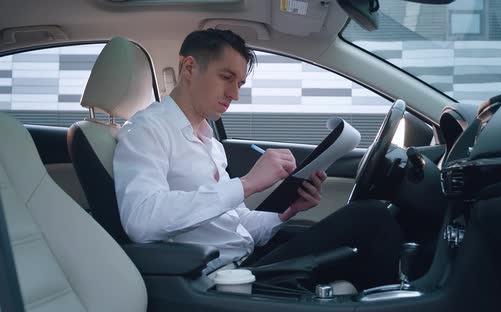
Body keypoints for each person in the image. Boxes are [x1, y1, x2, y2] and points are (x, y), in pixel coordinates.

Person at [114, 29, 401, 290]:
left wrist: (285, 211)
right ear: (189, 67)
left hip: (247, 262)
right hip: (219, 281)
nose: (235, 94)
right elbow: (141, 220)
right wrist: (248, 183)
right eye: (226, 78)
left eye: (239, 83)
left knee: (361, 240)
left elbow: (236, 224)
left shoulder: (207, 139)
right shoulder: (147, 130)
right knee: (371, 218)